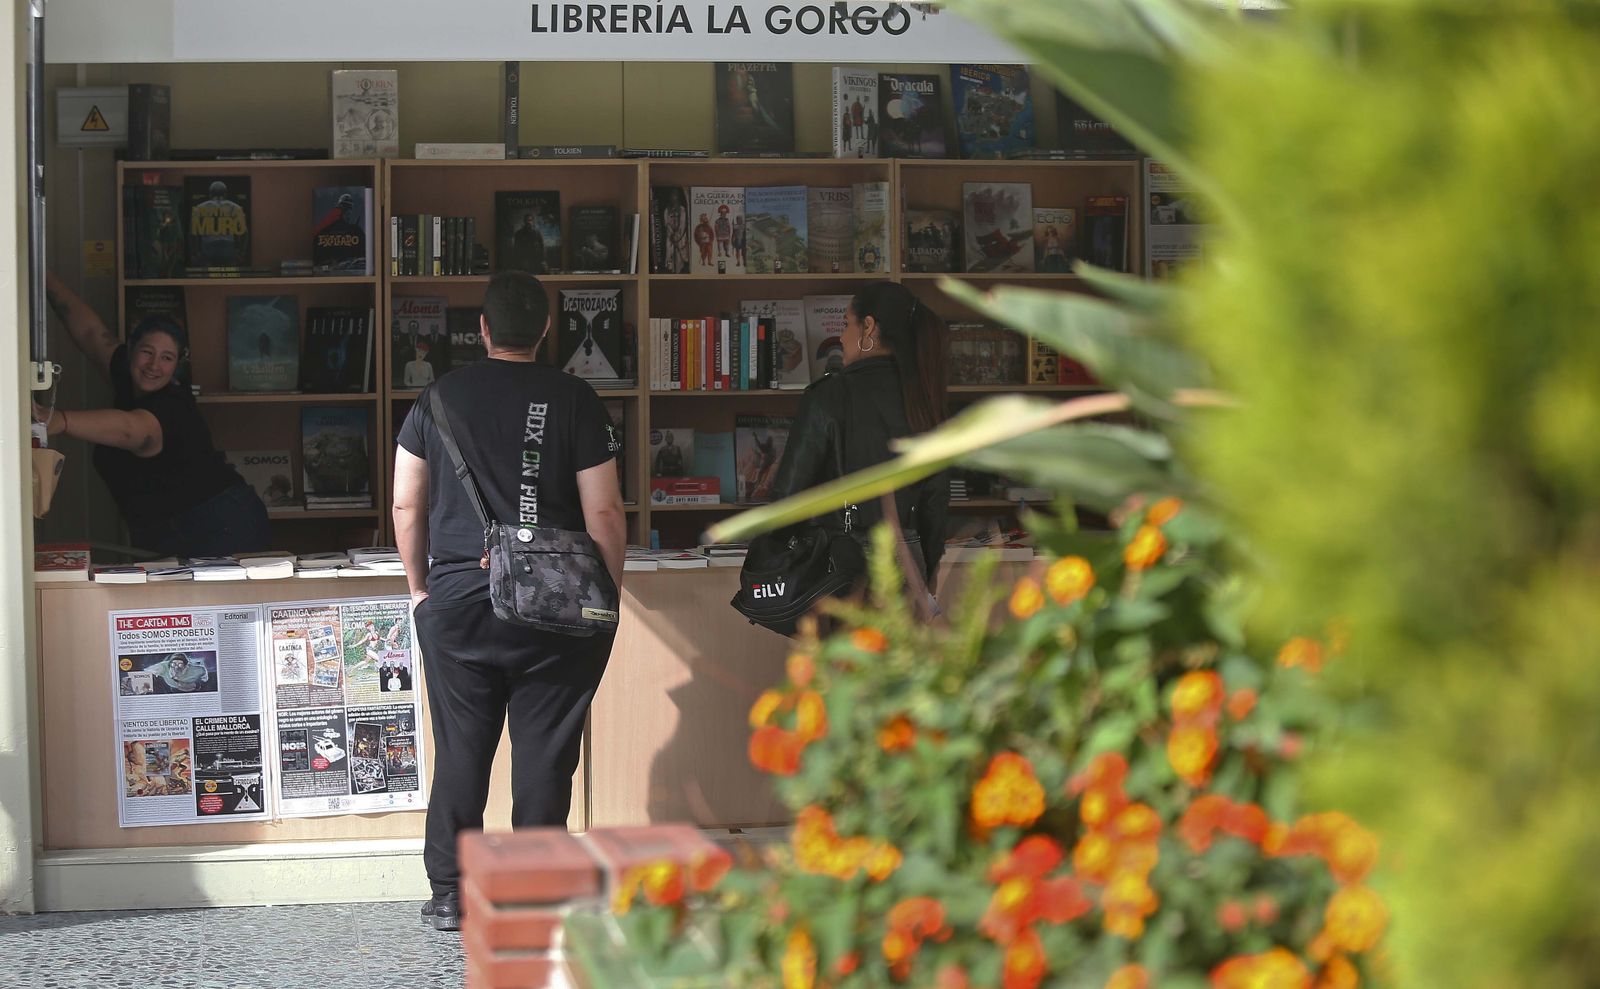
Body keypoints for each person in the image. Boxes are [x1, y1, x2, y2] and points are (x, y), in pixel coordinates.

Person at [392, 271, 626, 933]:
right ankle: (533, 889)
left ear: (484, 329)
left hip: (460, 601)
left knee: (462, 748)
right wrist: (606, 595)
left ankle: (449, 892)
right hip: (554, 606)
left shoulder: (436, 399)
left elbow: (406, 501)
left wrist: (419, 589)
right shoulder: (575, 398)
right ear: (547, 331)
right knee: (545, 752)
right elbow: (604, 510)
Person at [37, 275, 270, 558]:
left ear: (178, 363)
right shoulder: (126, 371)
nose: (154, 366)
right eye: (147, 352)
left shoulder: (172, 406)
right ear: (131, 348)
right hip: (171, 529)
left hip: (221, 524)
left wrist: (59, 419)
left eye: (167, 358)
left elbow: (131, 430)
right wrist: (42, 277)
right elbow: (89, 333)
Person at [765, 281, 951, 604]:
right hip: (910, 566)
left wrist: (773, 565)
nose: (840, 337)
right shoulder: (924, 399)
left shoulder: (827, 397)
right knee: (903, 656)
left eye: (846, 324)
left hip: (844, 568)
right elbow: (935, 504)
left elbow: (787, 501)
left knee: (847, 655)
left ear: (869, 328)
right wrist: (927, 572)